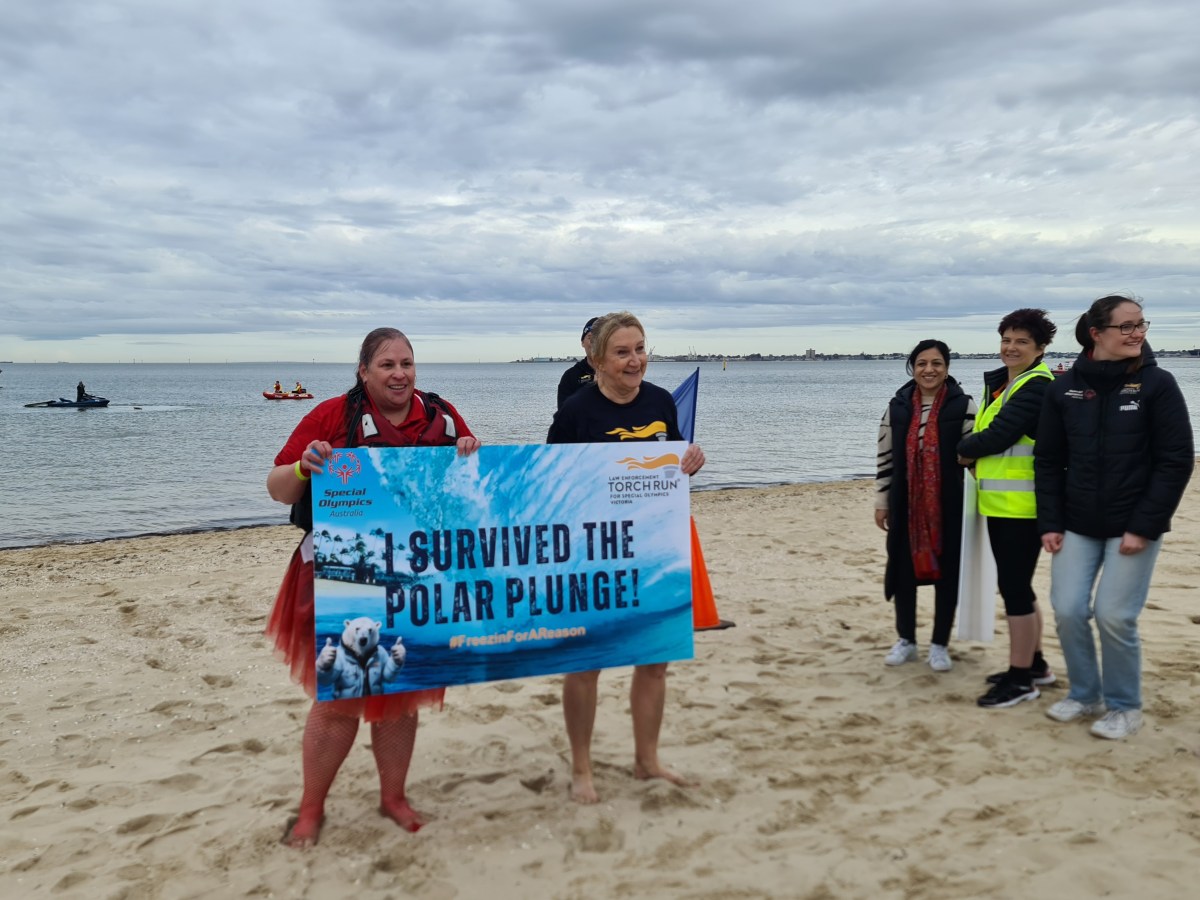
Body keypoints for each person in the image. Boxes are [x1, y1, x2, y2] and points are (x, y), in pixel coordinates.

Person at [265, 327, 481, 847]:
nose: (400, 374)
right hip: (342, 576)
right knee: (340, 696)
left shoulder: (441, 415)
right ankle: (311, 808)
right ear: (363, 371)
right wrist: (304, 465)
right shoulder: (331, 416)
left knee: (400, 692)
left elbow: (472, 490)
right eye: (387, 364)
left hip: (416, 577)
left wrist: (473, 454)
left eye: (407, 363)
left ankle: (393, 797)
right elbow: (277, 487)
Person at [547, 311, 706, 803]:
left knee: (655, 661)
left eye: (640, 348)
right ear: (596, 358)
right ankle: (581, 769)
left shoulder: (660, 401)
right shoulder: (576, 409)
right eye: (622, 351)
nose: (635, 360)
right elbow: (551, 480)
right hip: (592, 553)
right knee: (587, 663)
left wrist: (690, 461)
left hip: (655, 547)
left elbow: (671, 467)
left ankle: (646, 760)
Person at [1036, 295, 1193, 739]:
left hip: (1133, 525)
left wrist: (1144, 525)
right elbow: (1047, 461)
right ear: (1096, 333)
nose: (1137, 333)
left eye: (1141, 324)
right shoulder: (1062, 388)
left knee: (1114, 615)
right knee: (1067, 609)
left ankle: (1124, 706)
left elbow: (1176, 460)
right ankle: (1086, 695)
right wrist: (1049, 522)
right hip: (1076, 522)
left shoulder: (1157, 384)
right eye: (1126, 326)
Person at [958, 309, 1057, 709]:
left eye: (1021, 342)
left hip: (1021, 506)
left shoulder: (1036, 384)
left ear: (1040, 349)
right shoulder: (1006, 384)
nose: (1011, 348)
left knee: (1014, 589)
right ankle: (1036, 666)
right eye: (1006, 340)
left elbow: (998, 436)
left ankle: (1021, 680)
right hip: (1001, 503)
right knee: (1019, 587)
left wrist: (962, 452)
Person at [875, 340, 977, 672]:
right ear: (912, 367)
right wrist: (882, 501)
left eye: (936, 363)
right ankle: (906, 639)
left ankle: (939, 645)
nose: (929, 370)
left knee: (948, 574)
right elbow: (886, 457)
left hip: (949, 504)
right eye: (921, 363)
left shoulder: (964, 405)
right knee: (902, 570)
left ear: (947, 367)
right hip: (905, 503)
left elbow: (973, 458)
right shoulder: (898, 406)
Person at [555, 317, 599, 409]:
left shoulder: (622, 372)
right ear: (582, 343)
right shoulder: (570, 377)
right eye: (590, 338)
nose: (595, 342)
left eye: (600, 338)